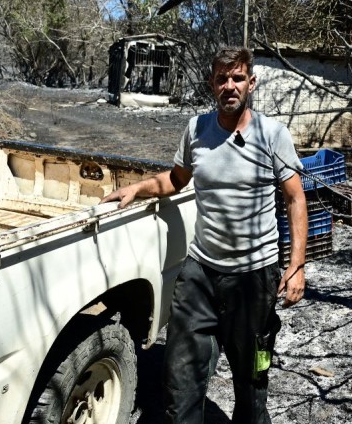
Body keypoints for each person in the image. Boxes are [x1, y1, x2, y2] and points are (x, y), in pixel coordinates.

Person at [104, 46, 308, 423]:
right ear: (212, 83)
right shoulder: (196, 129)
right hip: (200, 274)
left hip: (254, 276)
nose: (230, 86)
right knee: (181, 383)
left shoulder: (272, 134)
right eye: (222, 78)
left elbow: (295, 198)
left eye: (238, 78)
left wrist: (296, 265)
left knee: (251, 384)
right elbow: (176, 179)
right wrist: (139, 188)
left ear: (251, 82)